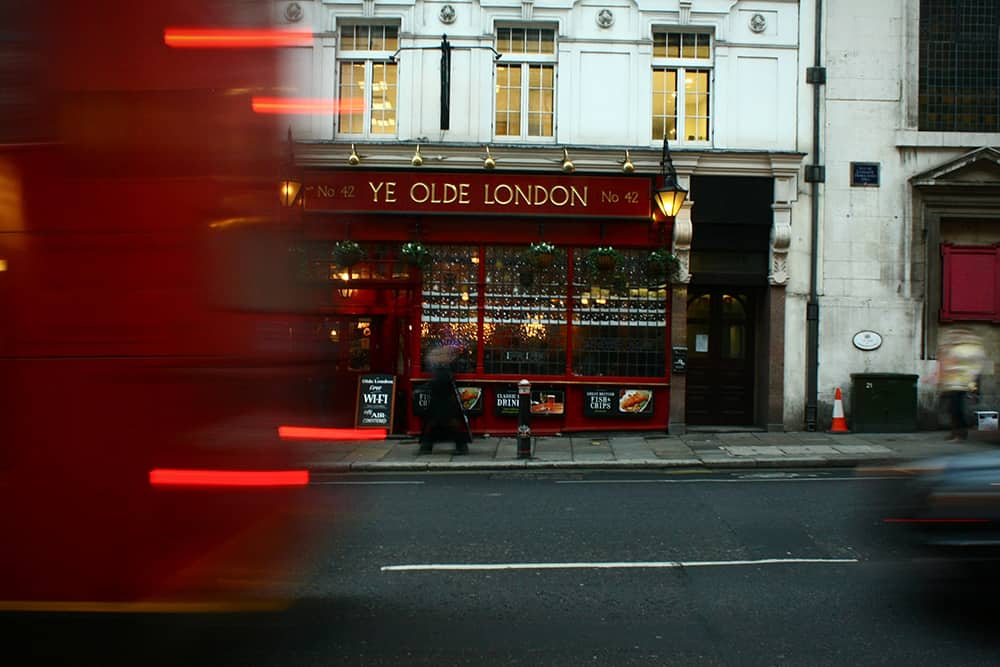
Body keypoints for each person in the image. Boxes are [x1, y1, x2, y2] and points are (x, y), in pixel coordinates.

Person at [936, 327, 987, 441]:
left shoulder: (970, 349)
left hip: (962, 383)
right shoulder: (958, 348)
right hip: (953, 383)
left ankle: (960, 433)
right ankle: (956, 432)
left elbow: (972, 367)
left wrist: (971, 383)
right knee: (952, 408)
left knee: (956, 408)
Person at [419, 345, 470, 455]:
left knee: (442, 424)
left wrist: (425, 387)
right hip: (442, 402)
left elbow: (439, 382)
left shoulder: (445, 368)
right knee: (435, 425)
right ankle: (427, 446)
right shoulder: (443, 367)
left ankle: (428, 446)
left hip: (445, 402)